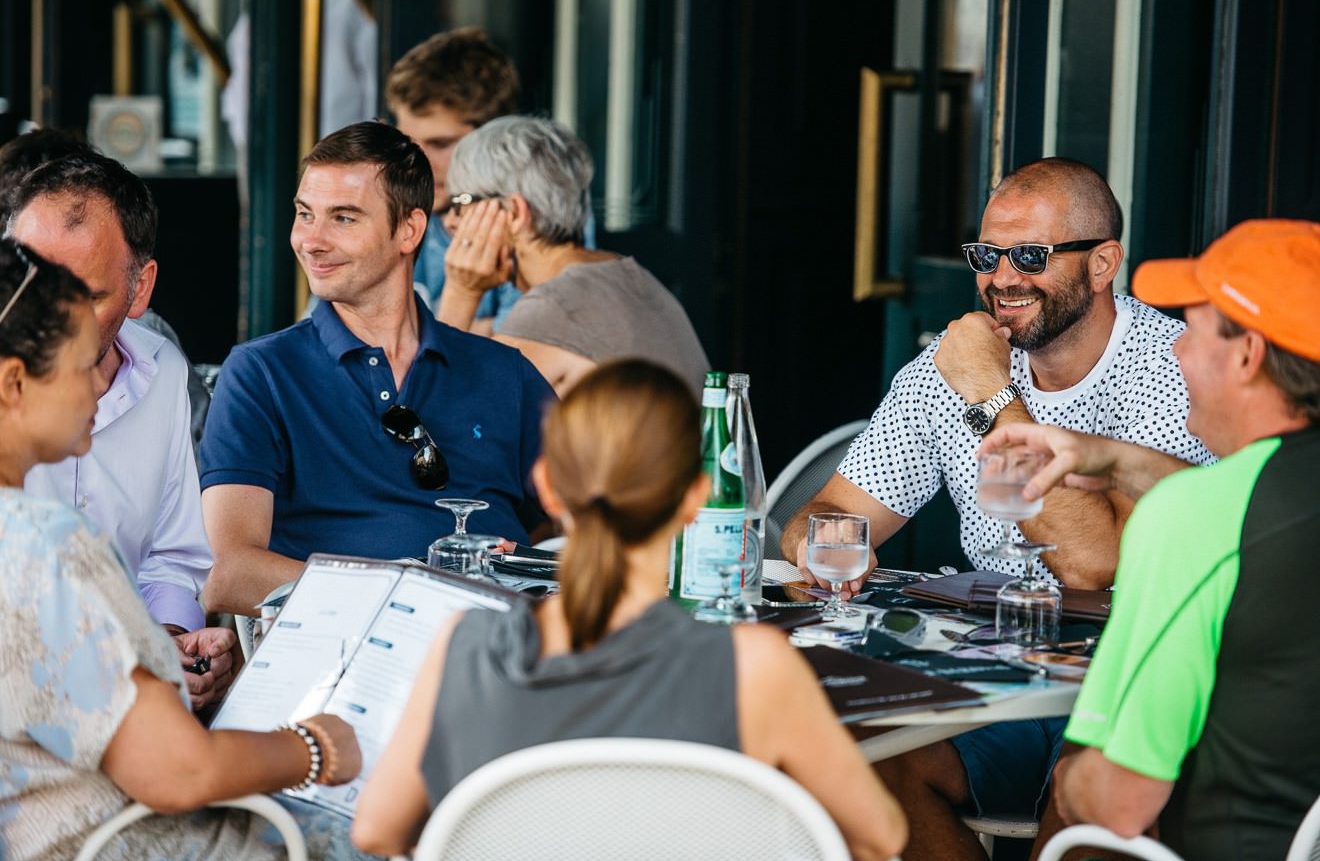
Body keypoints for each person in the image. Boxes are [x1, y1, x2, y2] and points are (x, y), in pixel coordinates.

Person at [780, 157, 1213, 861]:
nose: (1002, 277)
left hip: (1133, 688)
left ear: (1103, 263)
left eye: (1031, 256)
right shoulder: (943, 372)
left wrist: (988, 391)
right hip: (994, 684)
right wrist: (826, 546)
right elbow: (827, 509)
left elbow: (1094, 567)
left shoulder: (1172, 371)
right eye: (988, 254)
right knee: (849, 758)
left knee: (1087, 793)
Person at [349, 359, 907, 860]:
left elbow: (376, 831)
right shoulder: (754, 667)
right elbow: (879, 838)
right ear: (697, 496)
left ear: (547, 489)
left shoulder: (463, 646)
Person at [0, 238, 372, 861]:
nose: (101, 385)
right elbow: (177, 773)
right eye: (83, 364)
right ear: (15, 382)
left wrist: (159, 661)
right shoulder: (47, 542)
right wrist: (316, 746)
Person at [982, 219, 1320, 861]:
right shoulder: (1245, 505)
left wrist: (1069, 778)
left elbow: (1120, 801)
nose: (1175, 351)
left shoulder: (1192, 517)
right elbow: (1257, 506)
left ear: (1247, 354)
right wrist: (1115, 459)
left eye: (1191, 329)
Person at [200, 121, 554, 617]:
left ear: (409, 229)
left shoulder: (505, 373)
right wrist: (414, 595)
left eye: (343, 218)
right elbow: (233, 575)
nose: (311, 240)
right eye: (305, 215)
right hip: (344, 659)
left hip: (502, 654)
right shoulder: (263, 373)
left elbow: (598, 526)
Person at [5, 148, 225, 710]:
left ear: (140, 288)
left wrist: (172, 644)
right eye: (34, 282)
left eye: (85, 295)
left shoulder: (164, 371)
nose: (50, 318)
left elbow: (172, 558)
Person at [436, 115, 709, 397]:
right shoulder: (622, 274)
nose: (449, 222)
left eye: (461, 203)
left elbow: (442, 413)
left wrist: (461, 292)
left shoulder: (557, 305)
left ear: (515, 213)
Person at [385, 26, 524, 330]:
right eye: (408, 143)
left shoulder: (537, 218)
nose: (415, 164)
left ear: (496, 140)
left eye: (440, 144)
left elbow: (514, 369)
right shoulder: (384, 212)